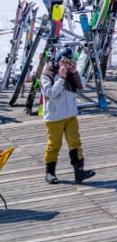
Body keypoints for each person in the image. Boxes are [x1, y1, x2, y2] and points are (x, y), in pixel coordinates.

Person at [41, 48, 94, 184]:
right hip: (54, 117)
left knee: (75, 143)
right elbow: (50, 94)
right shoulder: (47, 74)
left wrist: (75, 72)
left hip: (70, 115)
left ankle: (79, 172)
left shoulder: (70, 73)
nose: (65, 64)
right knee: (54, 145)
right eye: (63, 61)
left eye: (68, 61)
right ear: (57, 59)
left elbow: (82, 85)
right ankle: (50, 173)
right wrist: (61, 78)